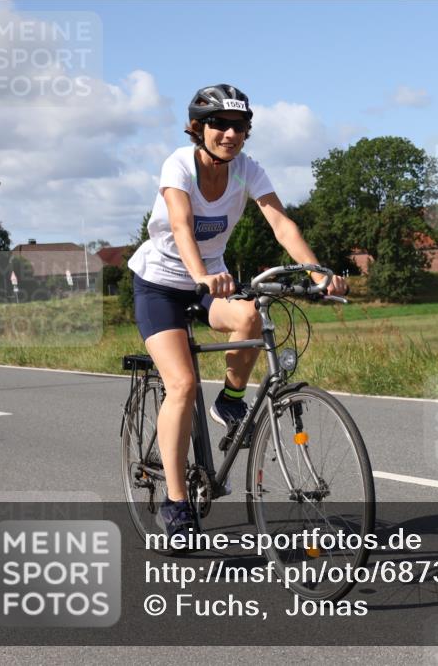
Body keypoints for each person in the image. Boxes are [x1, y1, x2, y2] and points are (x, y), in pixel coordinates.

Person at [127, 84, 347, 540]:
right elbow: (182, 226)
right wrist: (201, 275)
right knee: (182, 384)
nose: (230, 134)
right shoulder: (178, 166)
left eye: (239, 126)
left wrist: (318, 272)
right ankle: (175, 503)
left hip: (212, 279)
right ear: (198, 128)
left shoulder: (247, 171)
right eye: (219, 125)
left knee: (249, 317)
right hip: (162, 285)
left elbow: (281, 222)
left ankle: (229, 401)